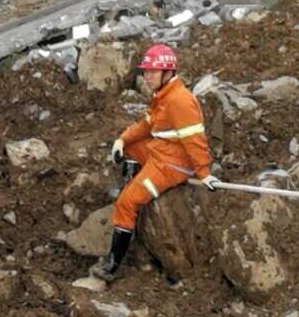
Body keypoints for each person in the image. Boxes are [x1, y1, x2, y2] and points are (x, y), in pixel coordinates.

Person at [92, 44, 219, 282]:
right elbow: (147, 126)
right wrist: (123, 139)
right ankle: (132, 189)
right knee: (131, 147)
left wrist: (204, 173)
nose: (147, 76)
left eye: (153, 71)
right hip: (162, 152)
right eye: (146, 71)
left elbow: (195, 141)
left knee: (126, 203)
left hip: (172, 165)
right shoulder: (163, 96)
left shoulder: (179, 101)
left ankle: (111, 266)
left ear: (168, 72)